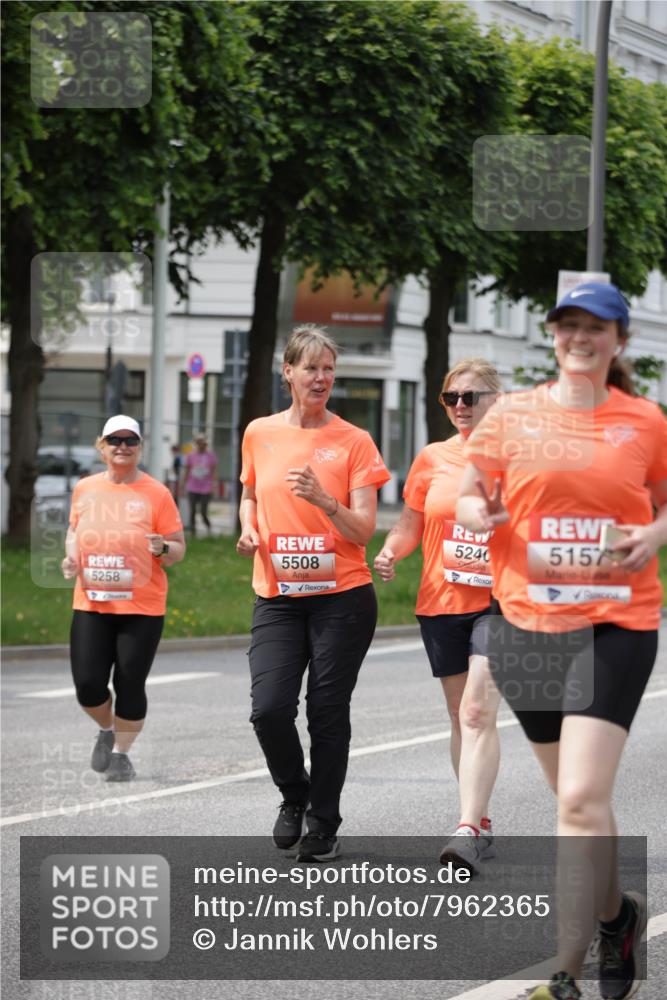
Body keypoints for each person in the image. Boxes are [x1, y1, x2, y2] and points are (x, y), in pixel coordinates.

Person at [456, 283, 667, 1000]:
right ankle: (617, 918)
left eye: (594, 327)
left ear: (618, 340)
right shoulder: (511, 416)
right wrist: (474, 513)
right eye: (567, 325)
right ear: (552, 336)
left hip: (616, 623)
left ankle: (564, 972)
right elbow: (467, 487)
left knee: (577, 797)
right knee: (581, 803)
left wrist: (654, 532)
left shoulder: (643, 421)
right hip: (528, 628)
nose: (579, 337)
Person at [236, 325, 390, 862]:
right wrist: (249, 527)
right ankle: (294, 796)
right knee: (269, 709)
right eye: (311, 368)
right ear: (289, 372)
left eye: (328, 368)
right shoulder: (259, 432)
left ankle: (323, 822)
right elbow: (250, 494)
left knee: (326, 709)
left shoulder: (354, 441)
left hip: (342, 597)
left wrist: (327, 501)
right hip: (277, 593)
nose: (321, 377)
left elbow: (363, 530)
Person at [374, 359, 503, 873]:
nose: (462, 406)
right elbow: (409, 523)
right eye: (452, 398)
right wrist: (390, 552)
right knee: (458, 716)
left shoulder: (518, 458)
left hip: (499, 603)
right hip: (441, 601)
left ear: (497, 399)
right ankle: (479, 817)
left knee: (477, 712)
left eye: (472, 396)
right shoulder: (431, 458)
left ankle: (466, 829)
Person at [61, 415, 186, 781]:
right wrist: (71, 557)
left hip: (142, 608)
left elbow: (179, 549)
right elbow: (73, 531)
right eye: (114, 440)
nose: (122, 446)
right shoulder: (85, 489)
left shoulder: (156, 493)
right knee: (87, 685)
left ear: (140, 447)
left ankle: (121, 754)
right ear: (102, 446)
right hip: (92, 603)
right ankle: (106, 728)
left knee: (130, 682)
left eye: (130, 440)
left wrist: (163, 546)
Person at [183, 433, 217, 536]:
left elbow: (214, 472)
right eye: (199, 443)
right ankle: (193, 532)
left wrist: (214, 486)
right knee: (192, 510)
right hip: (192, 487)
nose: (201, 445)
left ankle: (209, 528)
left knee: (203, 511)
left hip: (206, 488)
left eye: (203, 443)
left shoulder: (211, 456)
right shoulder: (190, 455)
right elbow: (187, 470)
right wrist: (183, 485)